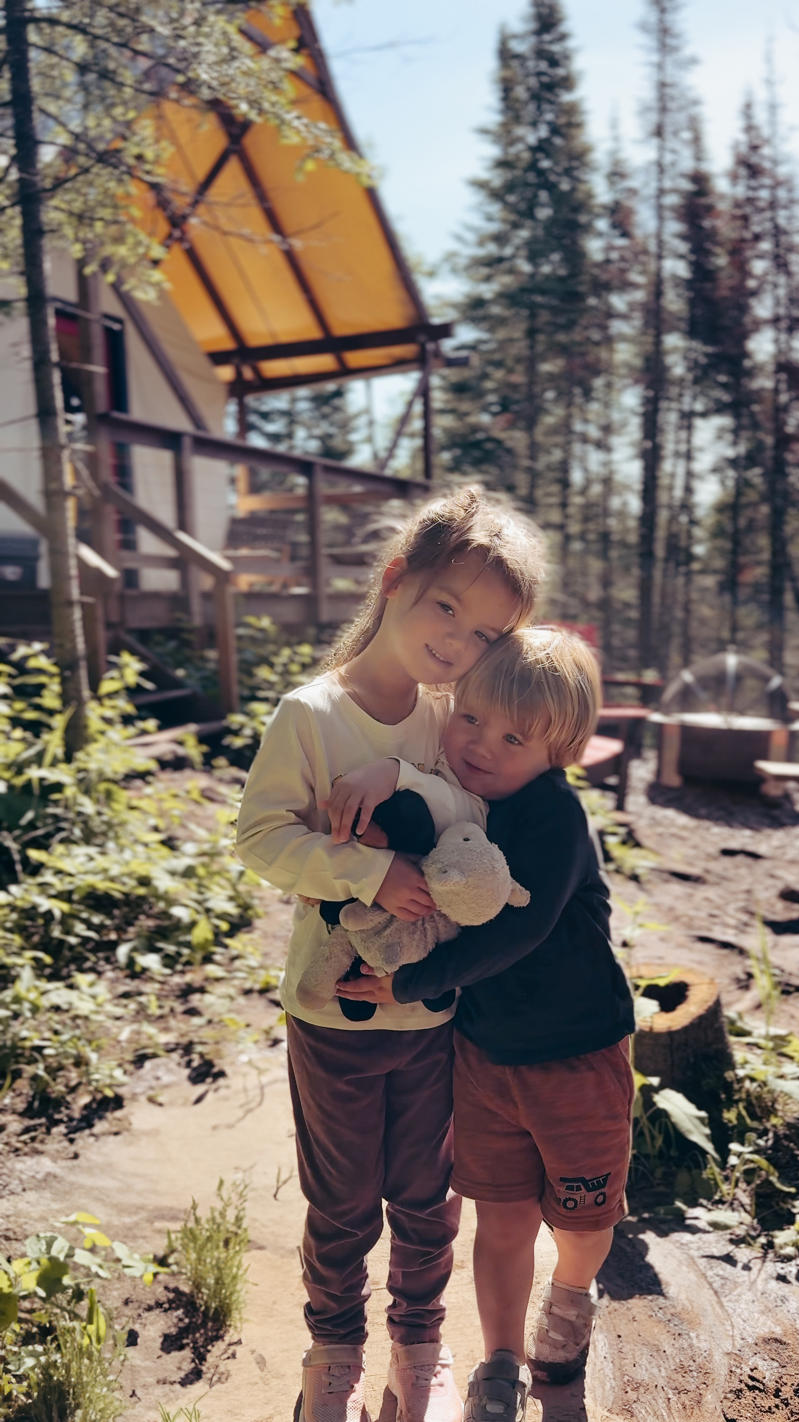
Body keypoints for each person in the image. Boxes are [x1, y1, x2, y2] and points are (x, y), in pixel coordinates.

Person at [236, 487, 546, 1422]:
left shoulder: (451, 722)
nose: (458, 642)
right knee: (341, 1201)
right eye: (447, 606)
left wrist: (411, 780)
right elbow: (259, 838)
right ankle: (333, 1354)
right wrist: (367, 872)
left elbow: (475, 818)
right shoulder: (313, 714)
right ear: (397, 578)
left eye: (486, 634)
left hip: (430, 1013)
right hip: (331, 1013)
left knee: (425, 1195)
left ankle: (419, 1348)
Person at [335, 626, 636, 1422]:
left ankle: (569, 1304)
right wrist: (383, 776)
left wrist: (411, 982)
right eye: (470, 719)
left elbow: (515, 934)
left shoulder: (553, 820)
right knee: (501, 1217)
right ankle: (500, 1363)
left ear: (559, 750)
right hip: (486, 1054)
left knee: (581, 1216)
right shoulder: (457, 796)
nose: (482, 746)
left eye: (513, 737)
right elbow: (410, 802)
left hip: (577, 1054)